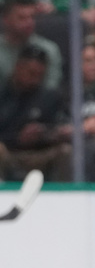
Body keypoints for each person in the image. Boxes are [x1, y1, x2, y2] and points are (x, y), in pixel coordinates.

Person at [0, 45, 71, 181]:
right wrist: (17, 138)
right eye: (31, 73)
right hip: (9, 153)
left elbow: (61, 125)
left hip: (39, 154)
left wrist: (46, 133)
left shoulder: (50, 97)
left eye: (40, 75)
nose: (36, 79)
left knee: (65, 151)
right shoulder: (3, 96)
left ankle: (65, 195)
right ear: (18, 67)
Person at [0, 0, 63, 90]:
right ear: (5, 19)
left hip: (39, 103)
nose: (29, 23)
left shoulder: (49, 49)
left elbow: (51, 92)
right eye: (22, 18)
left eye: (32, 17)